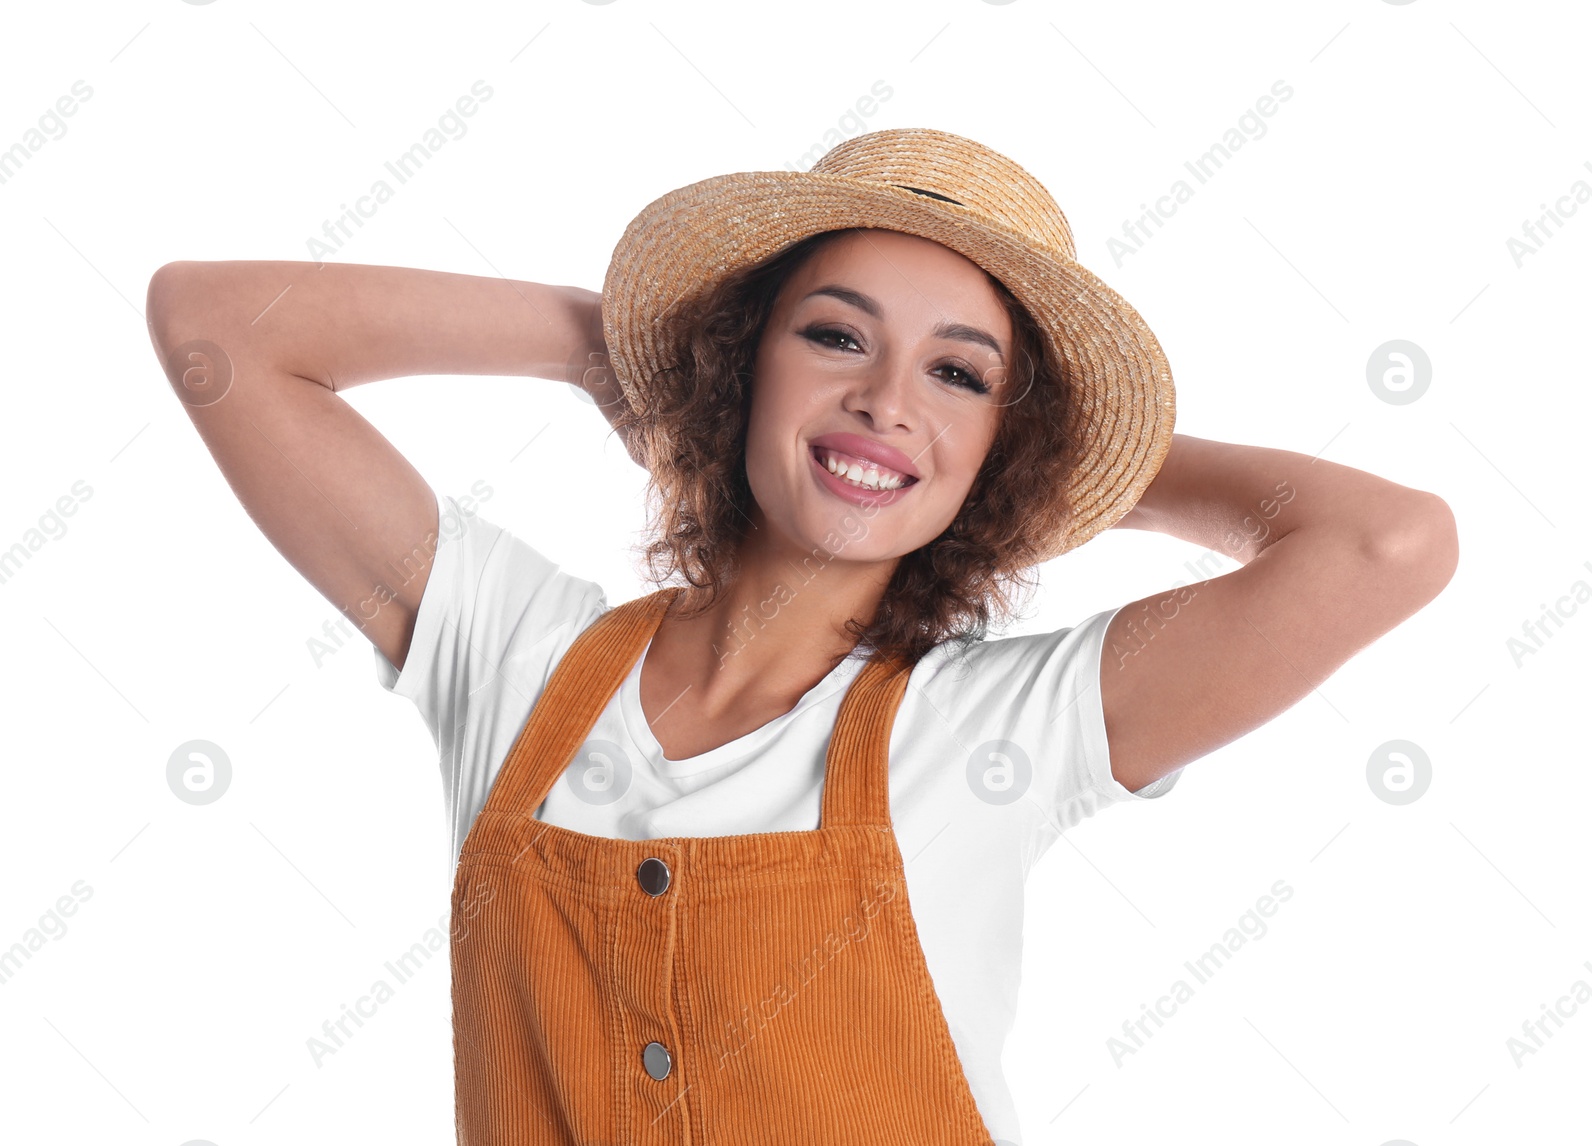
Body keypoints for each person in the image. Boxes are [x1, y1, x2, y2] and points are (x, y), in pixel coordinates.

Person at [146, 128, 1457, 1145]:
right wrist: (611, 348)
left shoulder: (1001, 728)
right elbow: (215, 330)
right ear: (741, 361)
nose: (888, 402)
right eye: (834, 335)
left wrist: (1061, 468)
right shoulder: (517, 658)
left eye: (959, 373)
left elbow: (1387, 543)